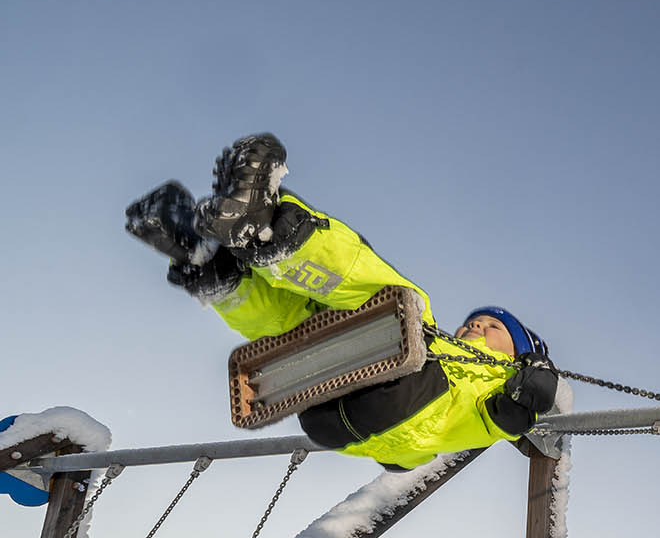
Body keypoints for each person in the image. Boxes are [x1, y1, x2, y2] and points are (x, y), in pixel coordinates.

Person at [125, 133, 560, 469]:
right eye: (474, 322)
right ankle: (217, 274)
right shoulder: (453, 358)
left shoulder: (501, 385)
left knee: (406, 305)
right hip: (336, 418)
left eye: (493, 327)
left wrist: (532, 395)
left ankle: (277, 235)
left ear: (522, 352)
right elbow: (411, 456)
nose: (476, 328)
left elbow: (503, 421)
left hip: (406, 401)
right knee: (310, 323)